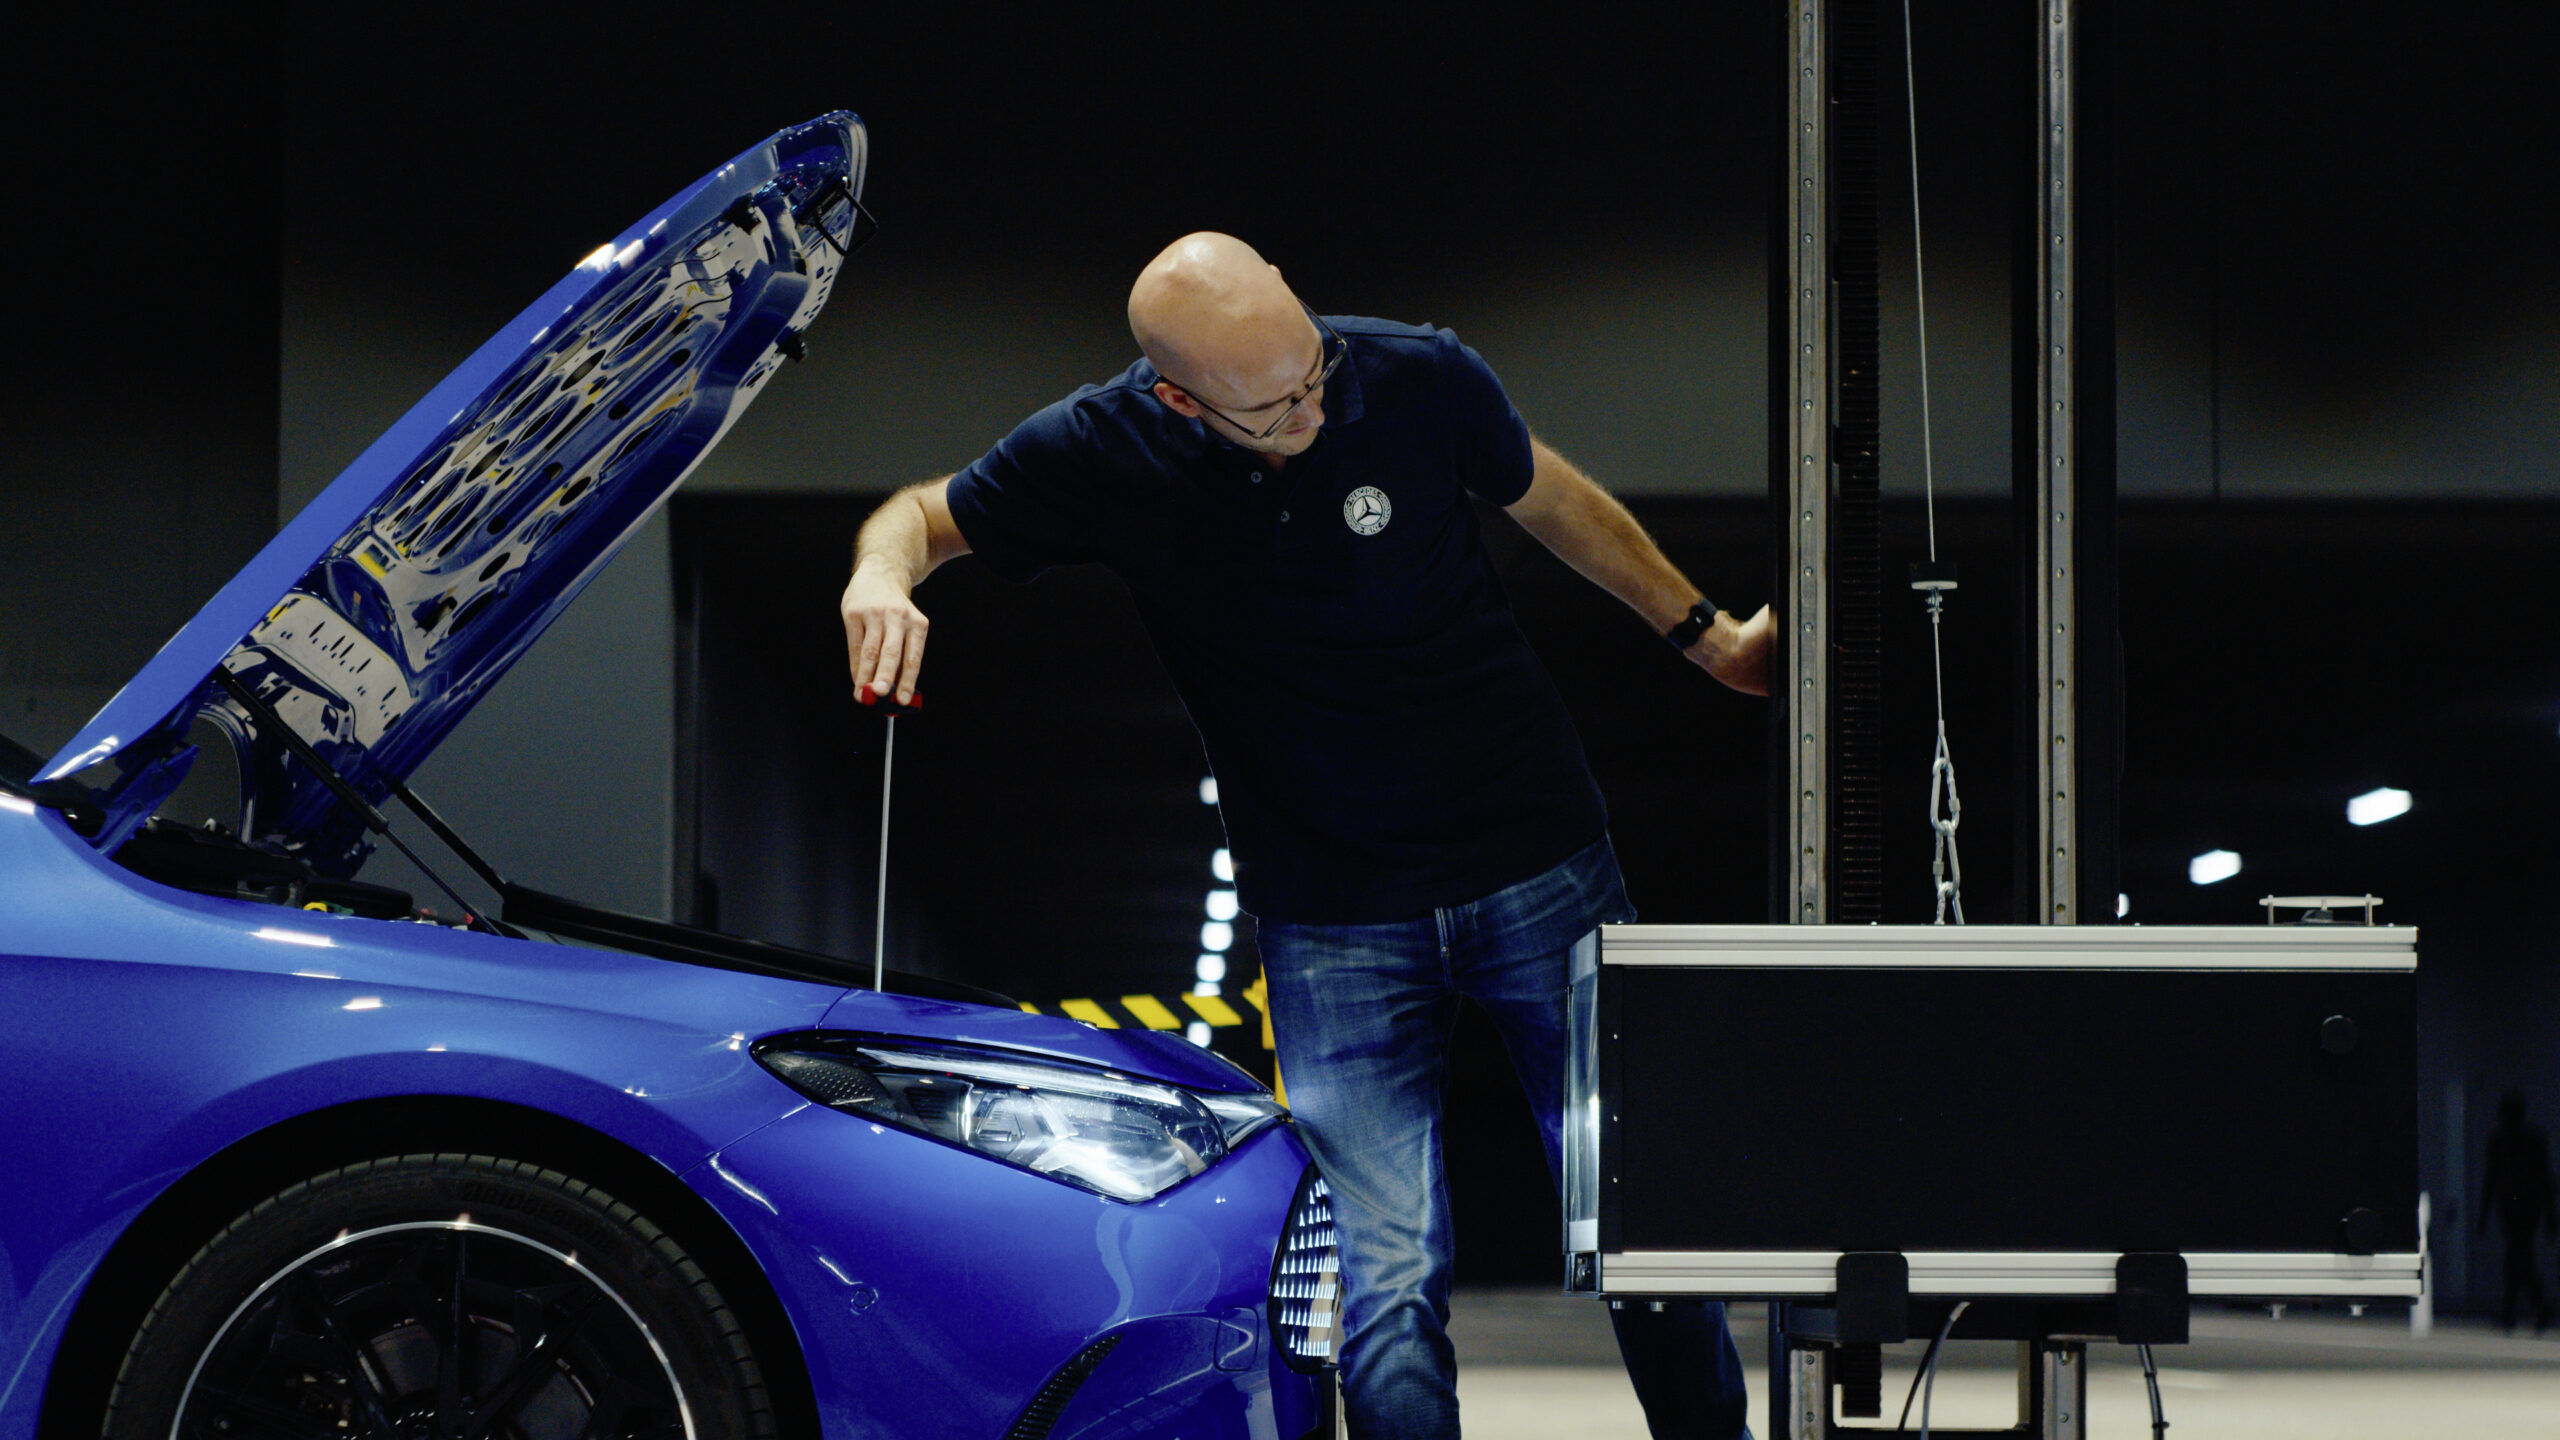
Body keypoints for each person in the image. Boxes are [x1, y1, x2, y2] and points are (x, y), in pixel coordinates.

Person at [839, 232, 1773, 1439]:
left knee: (1645, 1231)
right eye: (1275, 407)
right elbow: (919, 514)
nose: (1313, 411)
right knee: (1384, 1288)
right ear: (1179, 401)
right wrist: (880, 577)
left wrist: (1709, 638)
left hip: (1540, 863)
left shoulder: (1416, 376)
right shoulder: (1100, 450)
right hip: (1333, 917)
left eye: (1315, 371)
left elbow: (1546, 497)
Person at [2479, 1090, 2556, 1333]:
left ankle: (2519, 1310)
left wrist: (2483, 1215)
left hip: (2518, 1206)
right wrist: (2551, 1215)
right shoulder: (2526, 1140)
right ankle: (2528, 1309)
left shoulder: (2505, 1141)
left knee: (2516, 1257)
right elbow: (2544, 1179)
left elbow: (2492, 1181)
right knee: (2519, 1257)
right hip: (2521, 1206)